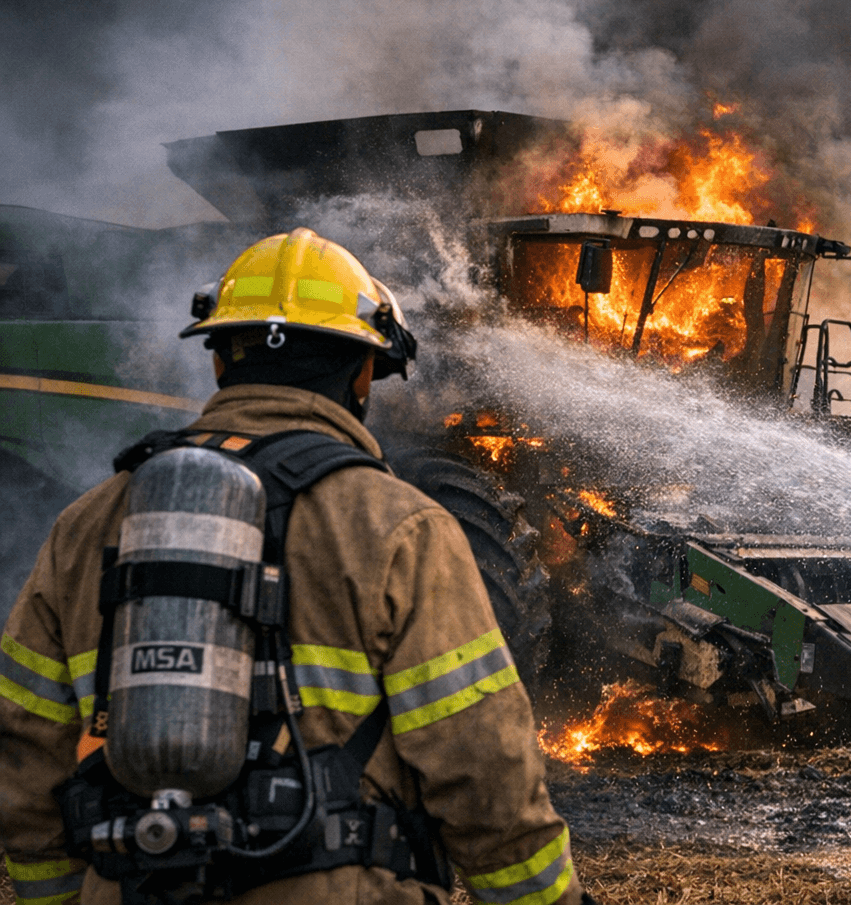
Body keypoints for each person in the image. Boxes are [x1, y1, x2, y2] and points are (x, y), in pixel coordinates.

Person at [0, 228, 588, 905]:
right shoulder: (402, 527)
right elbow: (482, 767)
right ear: (365, 372)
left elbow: (23, 749)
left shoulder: (87, 525)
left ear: (219, 361)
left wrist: (65, 896)